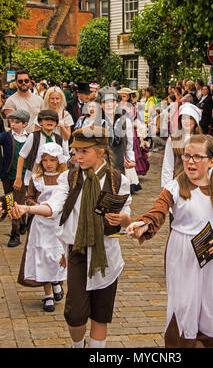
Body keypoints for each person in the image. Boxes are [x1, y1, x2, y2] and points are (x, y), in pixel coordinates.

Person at [13, 125, 132, 348]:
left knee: (100, 314)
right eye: (75, 151)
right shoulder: (70, 178)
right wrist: (28, 209)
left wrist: (123, 220)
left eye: (83, 151)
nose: (77, 156)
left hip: (106, 255)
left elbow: (127, 216)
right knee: (75, 314)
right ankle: (79, 345)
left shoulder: (118, 180)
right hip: (77, 252)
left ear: (100, 151)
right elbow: (53, 206)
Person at [127, 134, 213, 348]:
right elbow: (158, 212)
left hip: (210, 260)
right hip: (182, 255)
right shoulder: (176, 187)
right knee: (183, 306)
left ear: (211, 161)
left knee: (210, 306)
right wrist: (143, 225)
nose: (189, 161)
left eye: (197, 157)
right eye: (187, 156)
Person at [13, 143, 68, 312]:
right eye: (45, 160)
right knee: (43, 256)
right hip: (41, 223)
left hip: (58, 222)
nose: (48, 163)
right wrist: (36, 205)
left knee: (58, 254)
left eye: (52, 160)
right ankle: (48, 293)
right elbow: (29, 197)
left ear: (59, 160)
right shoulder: (36, 178)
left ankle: (57, 281)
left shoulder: (65, 177)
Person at [14, 109, 69, 192]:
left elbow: (64, 160)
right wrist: (18, 178)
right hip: (33, 177)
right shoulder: (33, 136)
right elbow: (22, 156)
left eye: (53, 120)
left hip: (54, 178)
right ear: (40, 122)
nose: (49, 122)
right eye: (46, 119)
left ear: (56, 123)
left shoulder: (59, 139)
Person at [0, 110, 29, 247]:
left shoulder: (30, 138)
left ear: (25, 124)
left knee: (15, 204)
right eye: (12, 121)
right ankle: (22, 223)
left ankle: (15, 235)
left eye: (17, 122)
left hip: (23, 176)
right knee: (10, 200)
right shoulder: (6, 136)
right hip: (8, 175)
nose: (13, 124)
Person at [95, 86, 135, 174]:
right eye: (105, 102)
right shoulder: (95, 123)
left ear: (116, 103)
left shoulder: (125, 121)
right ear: (100, 104)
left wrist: (131, 160)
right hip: (100, 167)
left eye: (112, 101)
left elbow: (129, 146)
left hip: (120, 166)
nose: (109, 105)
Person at [161, 103, 202, 188]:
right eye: (184, 118)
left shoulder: (202, 140)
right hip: (178, 184)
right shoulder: (173, 139)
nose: (186, 121)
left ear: (195, 120)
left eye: (190, 118)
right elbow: (168, 165)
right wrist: (168, 187)